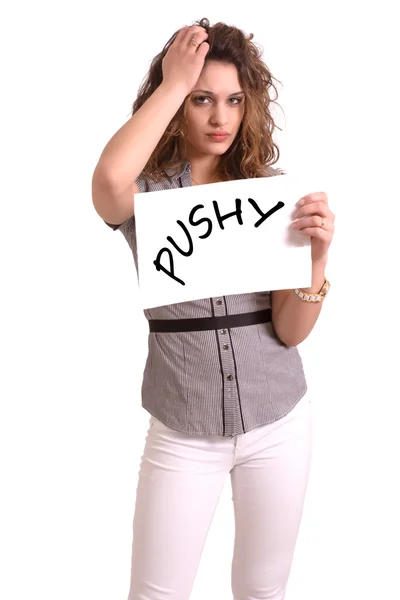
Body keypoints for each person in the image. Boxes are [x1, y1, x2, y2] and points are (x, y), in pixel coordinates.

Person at [92, 17, 335, 600]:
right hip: (183, 426)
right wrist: (173, 84)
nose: (220, 117)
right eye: (202, 99)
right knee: (156, 593)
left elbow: (290, 332)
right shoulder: (147, 195)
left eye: (232, 100)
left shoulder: (269, 192)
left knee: (263, 590)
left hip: (279, 420)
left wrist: (318, 261)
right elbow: (106, 182)